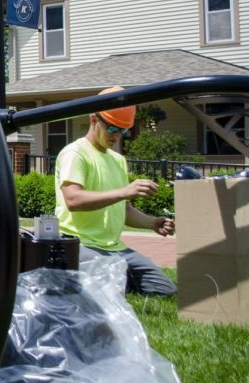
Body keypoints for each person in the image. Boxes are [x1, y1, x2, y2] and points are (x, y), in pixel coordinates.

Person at [54, 87, 177, 296]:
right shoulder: (76, 153)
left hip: (116, 249)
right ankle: (106, 277)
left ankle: (115, 276)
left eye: (123, 130)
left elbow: (125, 210)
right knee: (105, 294)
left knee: (165, 289)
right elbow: (73, 200)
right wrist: (124, 192)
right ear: (94, 119)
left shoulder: (118, 160)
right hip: (79, 244)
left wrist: (152, 223)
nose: (117, 136)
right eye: (112, 129)